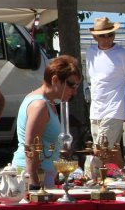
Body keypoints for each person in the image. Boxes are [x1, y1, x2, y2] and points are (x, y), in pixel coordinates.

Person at [11, 55, 82, 189]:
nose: (75, 91)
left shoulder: (49, 103)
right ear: (55, 79)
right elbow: (31, 147)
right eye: (71, 85)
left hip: (45, 174)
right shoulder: (39, 105)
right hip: (33, 176)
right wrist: (34, 184)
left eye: (77, 86)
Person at [85, 17, 125, 172]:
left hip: (114, 108)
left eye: (110, 34)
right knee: (111, 153)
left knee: (99, 152)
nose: (106, 39)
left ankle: (93, 182)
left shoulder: (124, 55)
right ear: (94, 36)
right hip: (95, 110)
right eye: (102, 35)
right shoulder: (91, 53)